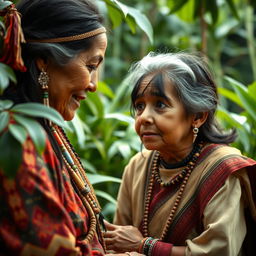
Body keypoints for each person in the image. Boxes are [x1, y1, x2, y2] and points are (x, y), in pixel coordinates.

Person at [103, 51, 256, 256]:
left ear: (198, 117)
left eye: (160, 105)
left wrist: (145, 246)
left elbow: (221, 251)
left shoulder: (222, 170)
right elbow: (118, 243)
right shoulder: (138, 165)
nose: (144, 117)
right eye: (140, 106)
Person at [0, 0, 110, 255]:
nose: (94, 84)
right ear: (44, 63)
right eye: (90, 66)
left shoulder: (46, 126)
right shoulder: (16, 140)